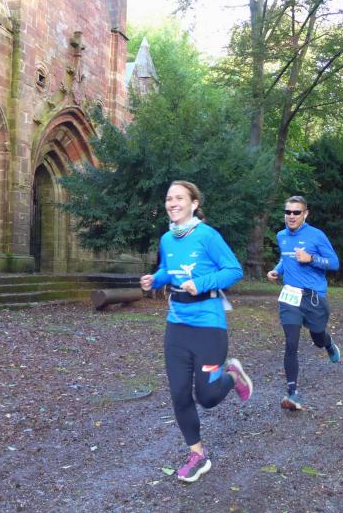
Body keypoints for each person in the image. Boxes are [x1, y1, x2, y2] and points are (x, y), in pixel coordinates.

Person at [139, 180, 253, 483]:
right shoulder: (167, 238)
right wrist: (155, 279)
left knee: (207, 396)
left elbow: (234, 270)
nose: (172, 203)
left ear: (194, 204)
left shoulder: (207, 236)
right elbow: (169, 269)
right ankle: (198, 455)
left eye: (179, 198)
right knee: (178, 393)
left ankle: (233, 376)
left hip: (208, 326)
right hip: (177, 324)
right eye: (169, 198)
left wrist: (200, 284)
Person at [266, 195, 340, 411]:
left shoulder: (316, 235)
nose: (291, 216)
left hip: (313, 297)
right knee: (291, 343)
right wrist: (276, 270)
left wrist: (311, 259)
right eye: (288, 212)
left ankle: (327, 343)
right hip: (290, 296)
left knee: (317, 337)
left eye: (296, 212)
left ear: (305, 214)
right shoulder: (281, 235)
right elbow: (285, 258)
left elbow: (334, 263)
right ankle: (292, 393)